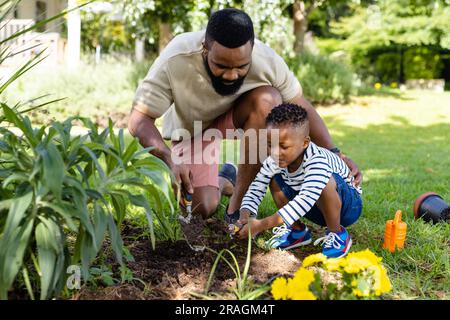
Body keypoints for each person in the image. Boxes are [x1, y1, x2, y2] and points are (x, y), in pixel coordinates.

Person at [128, 8, 362, 222]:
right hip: (193, 128)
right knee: (202, 207)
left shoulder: (267, 60)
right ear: (204, 49)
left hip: (242, 117)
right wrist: (171, 159)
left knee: (268, 100)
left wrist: (335, 153)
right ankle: (224, 180)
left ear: (251, 50)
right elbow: (139, 120)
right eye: (221, 65)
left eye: (241, 67)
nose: (231, 75)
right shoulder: (176, 58)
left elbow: (301, 107)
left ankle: (237, 204)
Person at [236, 104, 362, 259]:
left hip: (347, 207)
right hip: (315, 206)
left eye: (283, 146)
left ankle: (337, 234)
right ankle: (297, 232)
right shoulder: (274, 161)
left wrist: (261, 225)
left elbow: (304, 200)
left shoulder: (317, 161)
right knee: (274, 179)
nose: (275, 152)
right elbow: (256, 188)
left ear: (305, 143)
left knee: (325, 182)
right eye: (270, 145)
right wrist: (244, 216)